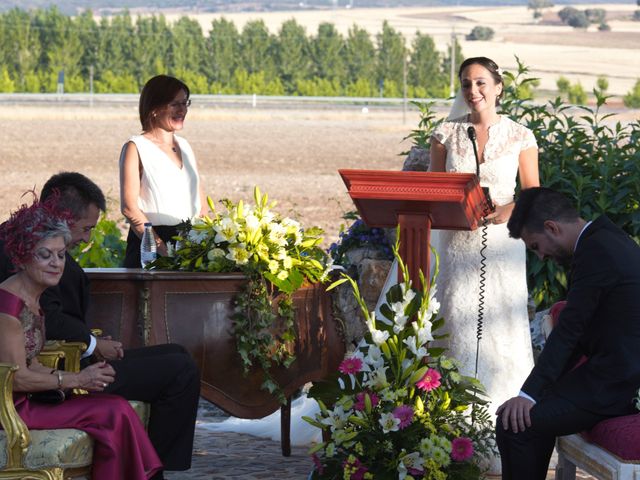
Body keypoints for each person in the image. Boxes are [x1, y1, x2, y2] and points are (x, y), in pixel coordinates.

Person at [0, 172, 200, 475]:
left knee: (174, 361)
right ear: (24, 257)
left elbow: (30, 362)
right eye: (47, 256)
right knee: (122, 407)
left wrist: (72, 373)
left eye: (60, 255)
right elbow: (16, 379)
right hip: (18, 406)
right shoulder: (11, 310)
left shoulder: (32, 298)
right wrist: (76, 379)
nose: (56, 263)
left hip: (46, 383)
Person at [426, 56, 539, 470]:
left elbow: (532, 193)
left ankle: (505, 434)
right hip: (457, 245)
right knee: (455, 324)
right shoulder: (445, 135)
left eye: (480, 83)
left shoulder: (521, 136)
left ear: (498, 87)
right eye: (466, 84)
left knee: (500, 329)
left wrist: (502, 211)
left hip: (504, 244)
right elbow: (433, 193)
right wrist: (459, 207)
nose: (473, 91)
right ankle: (446, 431)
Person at [496, 187, 640, 479]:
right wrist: (536, 393)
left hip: (617, 383)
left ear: (552, 227)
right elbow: (578, 329)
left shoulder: (597, 251)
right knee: (523, 415)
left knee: (514, 425)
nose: (542, 255)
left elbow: (570, 329)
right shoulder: (603, 239)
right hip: (610, 373)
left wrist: (529, 394)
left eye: (536, 246)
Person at [119, 74, 207, 268]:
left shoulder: (185, 146)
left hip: (189, 245)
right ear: (154, 108)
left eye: (185, 103)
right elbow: (129, 207)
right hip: (150, 247)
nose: (182, 110)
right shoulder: (136, 147)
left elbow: (201, 205)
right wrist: (162, 248)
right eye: (175, 104)